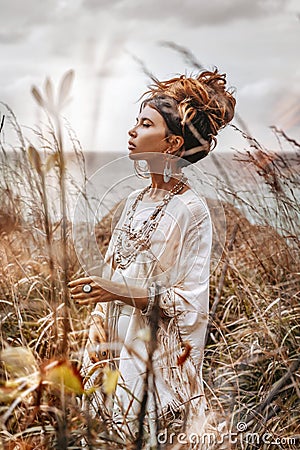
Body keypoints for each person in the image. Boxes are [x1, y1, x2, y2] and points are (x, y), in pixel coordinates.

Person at [69, 69, 235, 442]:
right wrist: (96, 347)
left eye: (145, 124)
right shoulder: (133, 201)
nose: (132, 131)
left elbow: (190, 303)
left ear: (173, 144)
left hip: (152, 359)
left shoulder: (191, 211)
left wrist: (114, 290)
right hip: (115, 345)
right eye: (136, 121)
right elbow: (112, 272)